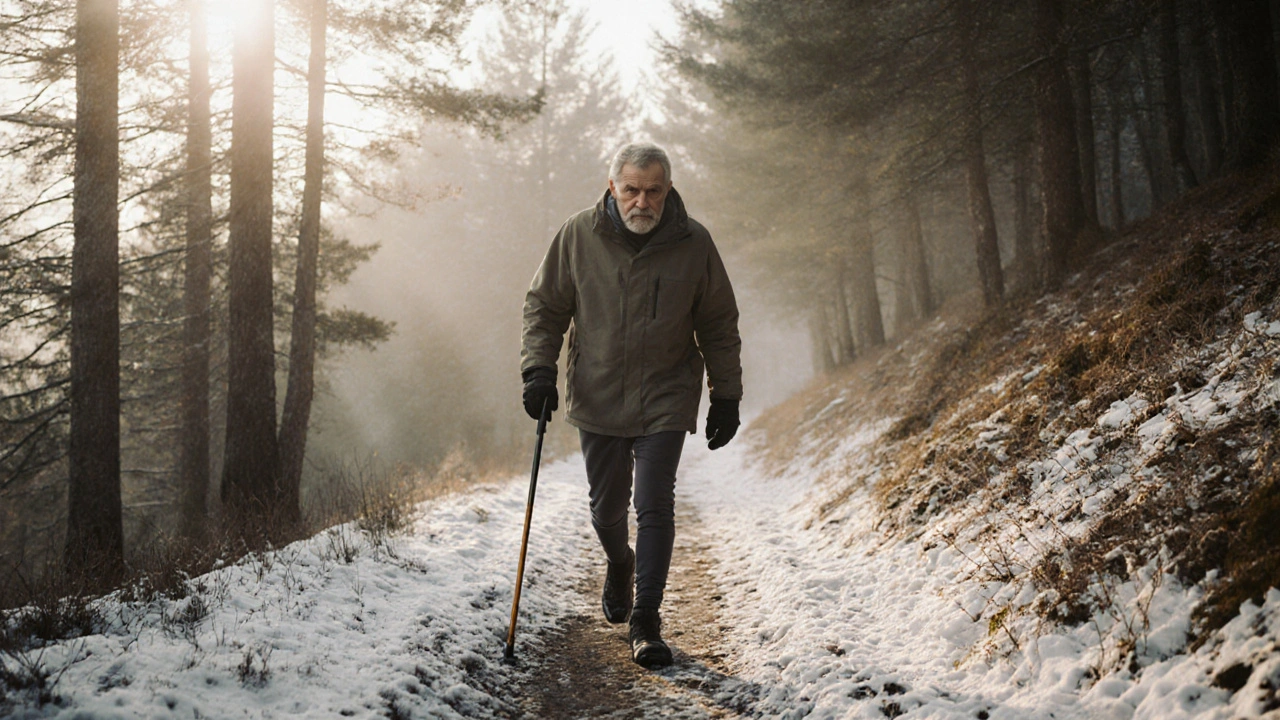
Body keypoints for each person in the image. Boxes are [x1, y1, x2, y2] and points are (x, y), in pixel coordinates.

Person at [520, 142, 743, 668]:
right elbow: (545, 306)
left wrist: (726, 394)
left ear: (667, 190)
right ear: (612, 187)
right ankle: (620, 563)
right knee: (606, 509)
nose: (642, 202)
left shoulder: (694, 242)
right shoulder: (579, 235)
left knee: (654, 503)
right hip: (597, 392)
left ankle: (646, 617)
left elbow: (717, 323)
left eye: (653, 191)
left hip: (667, 393)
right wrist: (538, 371)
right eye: (632, 190)